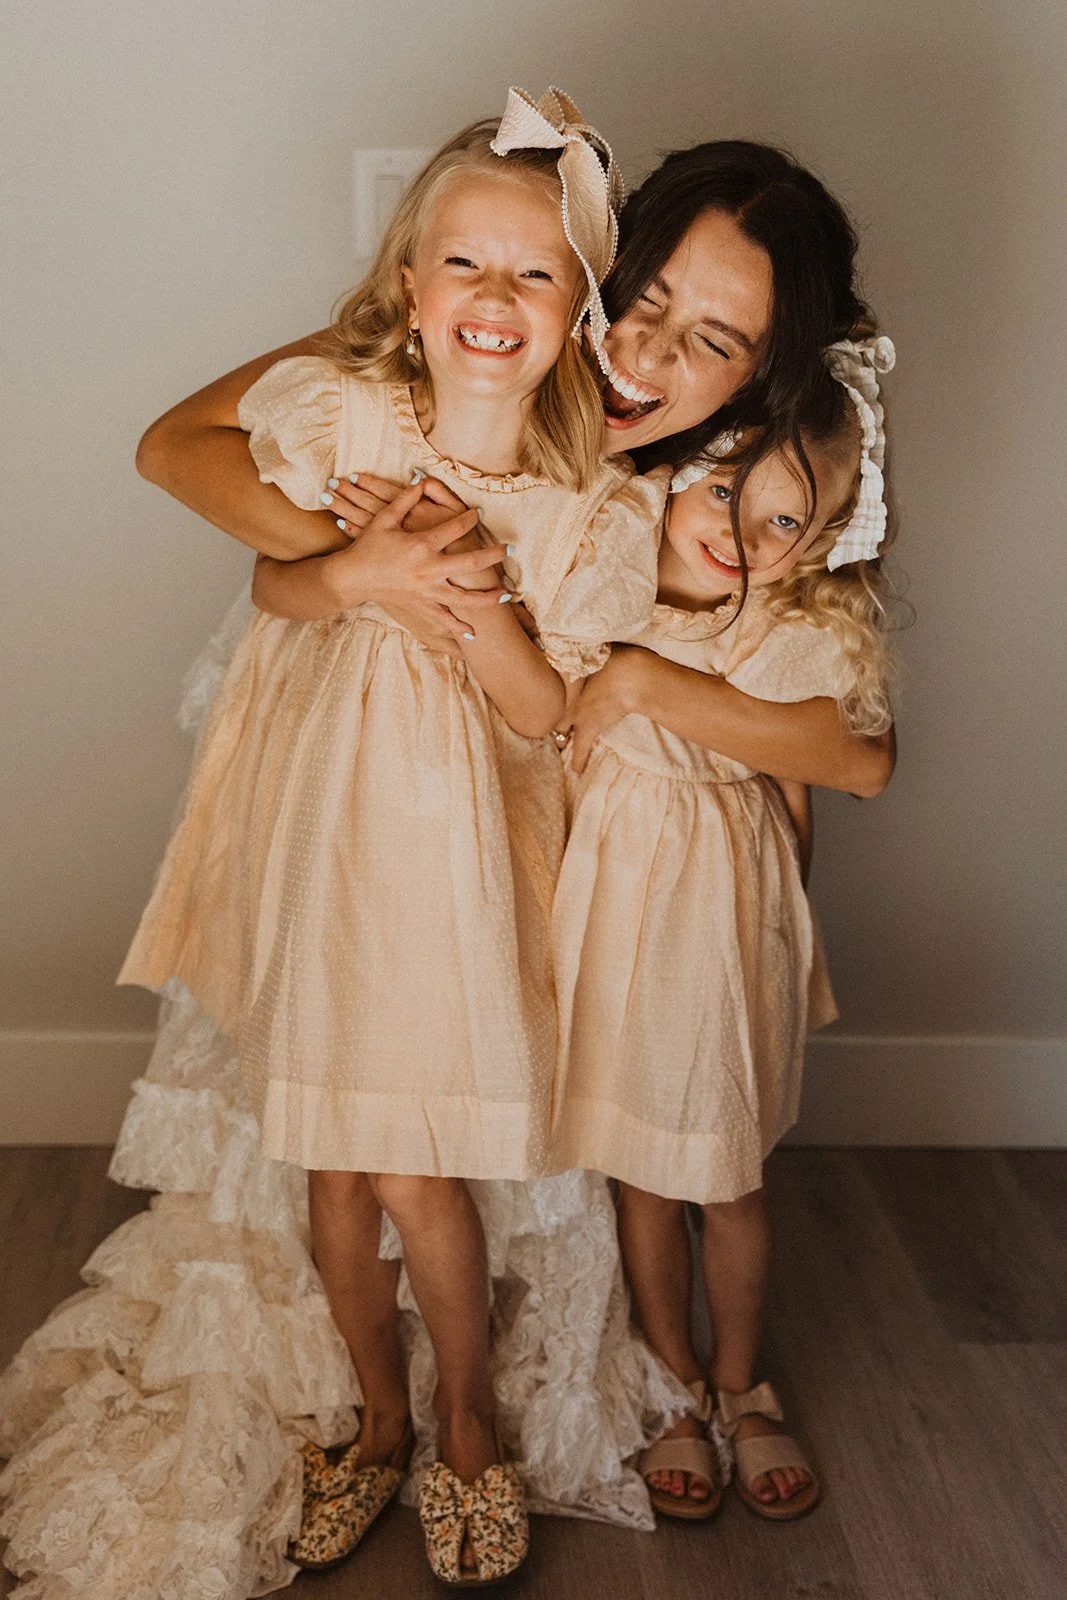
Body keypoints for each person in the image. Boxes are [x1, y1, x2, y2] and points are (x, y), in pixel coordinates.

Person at [0, 130, 895, 1600]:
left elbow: (838, 737)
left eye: (714, 339)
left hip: (544, 849)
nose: (653, 352)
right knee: (343, 1149)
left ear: (763, 376)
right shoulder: (404, 364)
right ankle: (393, 1413)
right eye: (647, 300)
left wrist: (620, 679)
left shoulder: (744, 486)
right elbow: (192, 463)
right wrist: (369, 563)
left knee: (526, 1134)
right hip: (351, 793)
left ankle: (636, 1387)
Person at [554, 337, 897, 1523]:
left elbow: (828, 780)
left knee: (726, 1177)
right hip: (606, 912)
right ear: (671, 474)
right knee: (639, 1179)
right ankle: (672, 1387)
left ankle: (744, 1384)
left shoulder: (783, 635)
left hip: (715, 924)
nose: (740, 537)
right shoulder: (602, 587)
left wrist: (651, 686)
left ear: (821, 541)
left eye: (781, 522)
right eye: (720, 491)